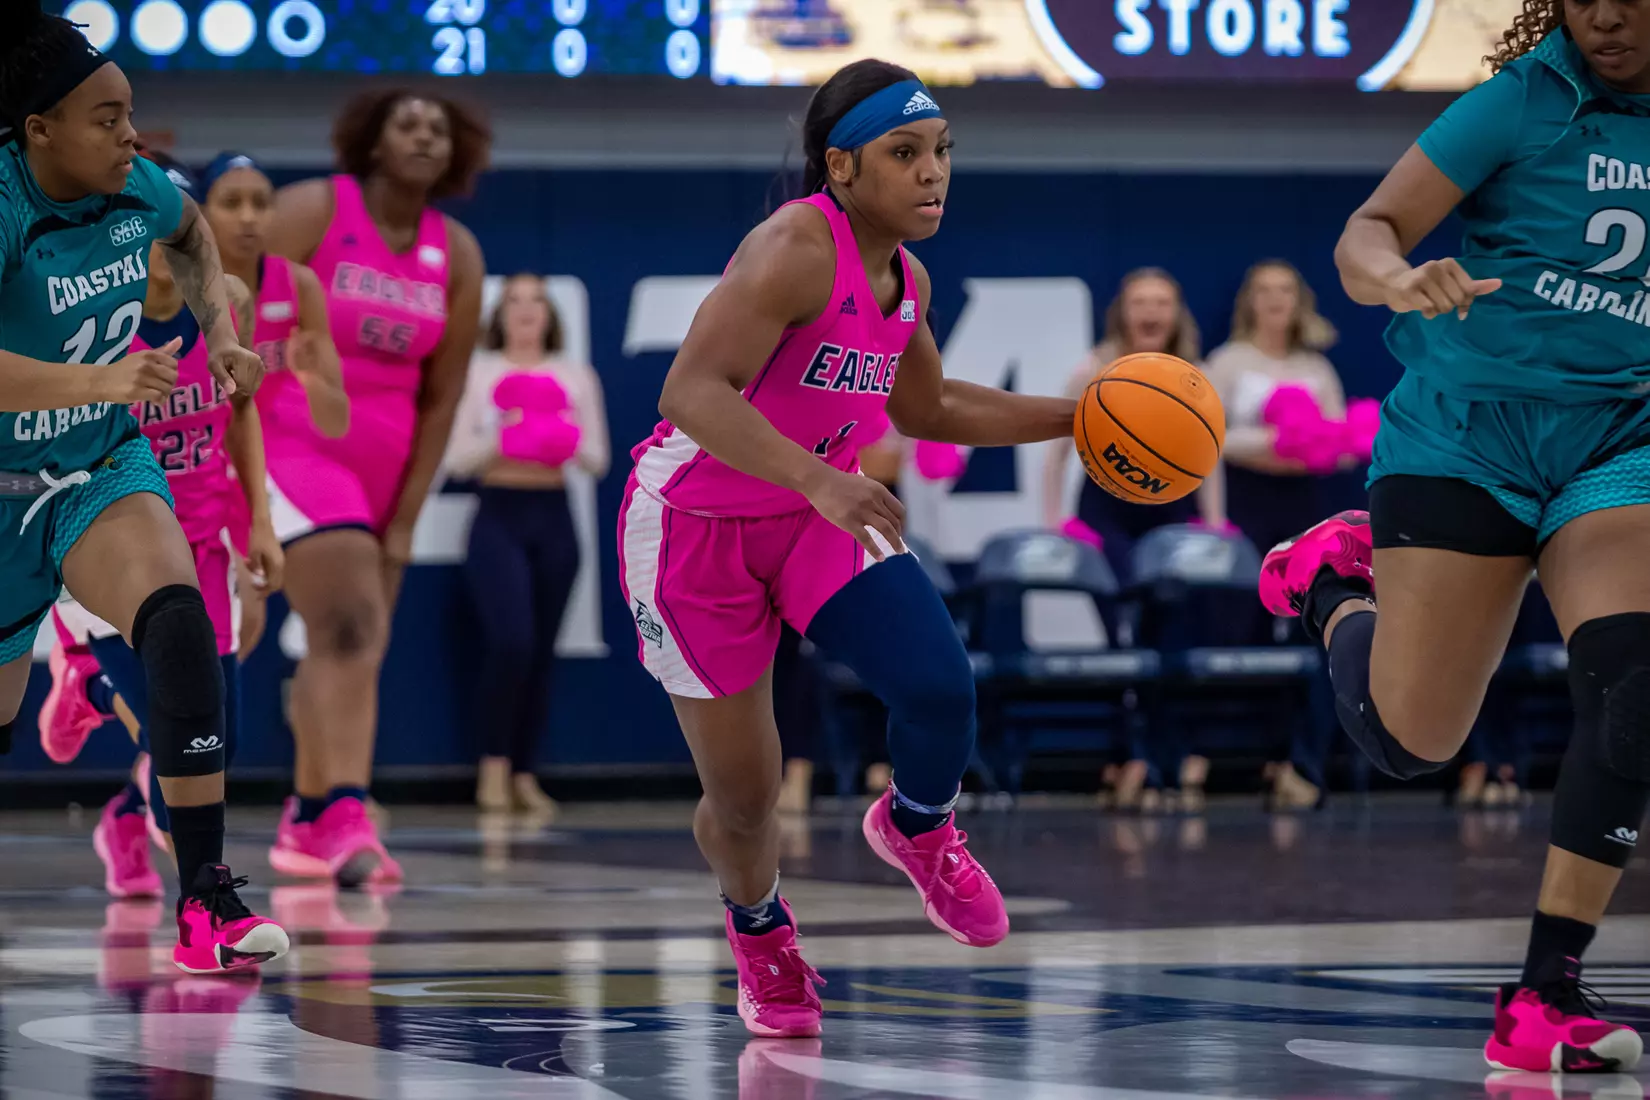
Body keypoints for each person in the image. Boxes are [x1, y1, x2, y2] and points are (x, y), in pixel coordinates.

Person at [619, 58, 1078, 1037]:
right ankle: (760, 929)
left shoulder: (907, 275)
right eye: (904, 153)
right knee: (746, 799)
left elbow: (930, 407)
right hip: (696, 529)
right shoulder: (793, 246)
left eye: (942, 151)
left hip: (813, 515)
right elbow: (689, 393)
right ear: (841, 166)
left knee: (941, 688)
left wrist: (1082, 416)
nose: (932, 171)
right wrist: (821, 479)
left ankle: (917, 826)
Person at [1260, 0, 1649, 1074]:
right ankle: (1327, 583)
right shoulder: (1521, 101)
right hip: (1467, 436)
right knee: (1411, 743)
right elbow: (1367, 232)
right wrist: (1396, 276)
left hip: (1617, 439)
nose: (1602, 14)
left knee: (1633, 688)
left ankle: (1543, 994)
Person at [0, 1, 285, 972]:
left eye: (129, 113)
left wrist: (222, 334)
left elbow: (195, 234)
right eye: (107, 118)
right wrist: (100, 379)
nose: (132, 135)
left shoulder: (141, 188)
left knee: (180, 624)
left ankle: (206, 900)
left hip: (94, 462)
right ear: (39, 130)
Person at [40, 153, 286, 902]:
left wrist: (260, 523)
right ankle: (89, 683)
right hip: (115, 538)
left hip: (203, 542)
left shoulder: (227, 302)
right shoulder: (89, 319)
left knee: (218, 742)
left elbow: (242, 414)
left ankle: (121, 810)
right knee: (174, 739)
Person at [263, 90, 488, 886]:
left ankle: (306, 817)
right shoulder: (314, 210)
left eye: (439, 129)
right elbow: (225, 307)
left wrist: (408, 514)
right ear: (372, 140)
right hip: (294, 437)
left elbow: (444, 398)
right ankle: (346, 811)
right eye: (408, 124)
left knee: (347, 646)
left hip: (384, 469)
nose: (425, 138)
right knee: (351, 628)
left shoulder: (456, 252)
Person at [1042, 267, 1208, 809]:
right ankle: (1126, 755)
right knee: (1121, 636)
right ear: (1123, 312)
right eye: (1141, 301)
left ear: (1175, 313)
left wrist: (1214, 522)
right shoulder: (1094, 368)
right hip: (1106, 515)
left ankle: (1164, 755)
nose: (1151, 312)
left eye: (1161, 301)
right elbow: (1054, 452)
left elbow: (1211, 458)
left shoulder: (1192, 377)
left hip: (1171, 514)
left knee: (1170, 635)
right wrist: (1056, 522)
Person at [444, 273, 609, 813]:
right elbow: (458, 460)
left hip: (554, 516)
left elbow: (598, 459)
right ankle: (491, 767)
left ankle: (524, 773)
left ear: (549, 314)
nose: (525, 309)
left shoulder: (575, 375)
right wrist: (507, 434)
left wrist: (557, 433)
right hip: (499, 515)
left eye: (536, 300)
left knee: (540, 652)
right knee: (510, 641)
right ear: (500, 314)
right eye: (513, 300)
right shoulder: (480, 373)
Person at [1203, 260, 1349, 810]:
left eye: (1284, 290)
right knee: (1240, 634)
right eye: (1263, 290)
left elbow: (1339, 446)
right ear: (1249, 300)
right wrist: (1276, 441)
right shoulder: (1227, 362)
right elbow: (1206, 439)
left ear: (1299, 300)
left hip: (1304, 508)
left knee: (1319, 636)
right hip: (1244, 508)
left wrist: (1312, 441)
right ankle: (1231, 759)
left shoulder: (1316, 367)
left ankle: (1302, 763)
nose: (1274, 299)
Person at [198, 149, 350, 660]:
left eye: (261, 203)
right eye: (231, 203)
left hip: (267, 460)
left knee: (253, 620)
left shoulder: (298, 284)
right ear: (203, 212)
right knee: (230, 621)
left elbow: (336, 421)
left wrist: (313, 379)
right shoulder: (180, 285)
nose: (248, 217)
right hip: (197, 459)